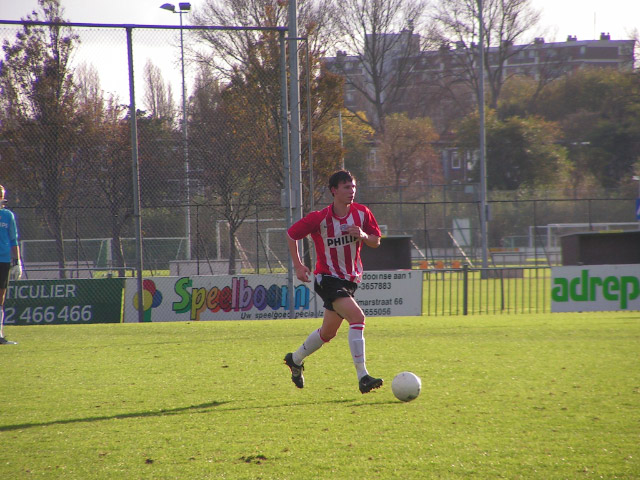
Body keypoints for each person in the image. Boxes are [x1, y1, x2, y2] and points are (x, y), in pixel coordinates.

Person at [284, 170, 383, 394]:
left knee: (327, 333)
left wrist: (363, 236)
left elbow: (376, 241)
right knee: (357, 318)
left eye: (354, 187)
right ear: (334, 191)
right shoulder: (320, 218)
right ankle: (363, 376)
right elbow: (291, 234)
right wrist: (298, 266)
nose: (352, 191)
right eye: (347, 187)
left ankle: (295, 359)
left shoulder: (362, 213)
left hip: (350, 281)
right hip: (326, 279)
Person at [0, 185, 22, 345]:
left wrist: (17, 261)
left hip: (3, 260)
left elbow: (13, 239)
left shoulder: (8, 216)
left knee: (0, 297)